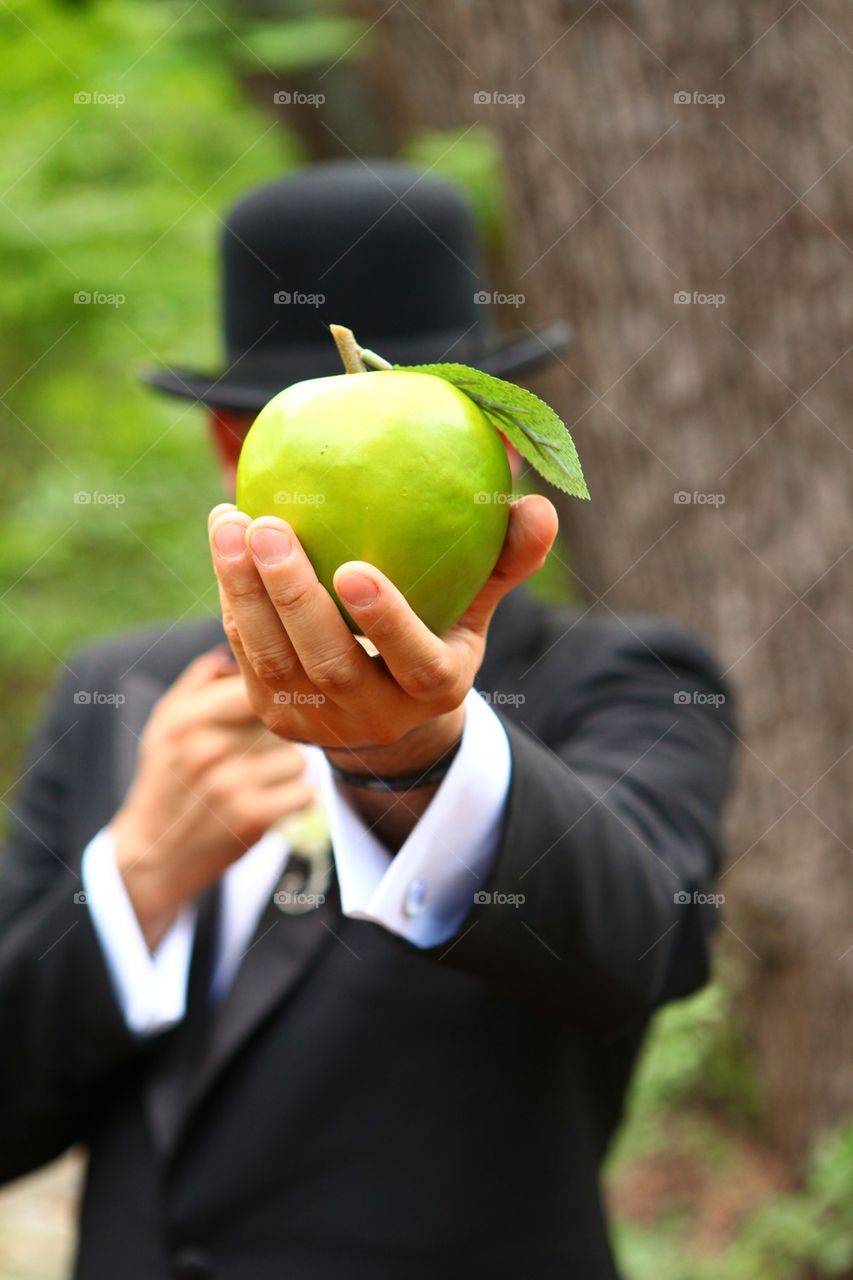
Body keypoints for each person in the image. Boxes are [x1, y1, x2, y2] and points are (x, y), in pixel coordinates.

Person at [0, 160, 735, 1280]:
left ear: (490, 454)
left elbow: (644, 940)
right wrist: (134, 877)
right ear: (230, 454)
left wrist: (410, 753)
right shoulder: (116, 699)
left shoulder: (621, 676)